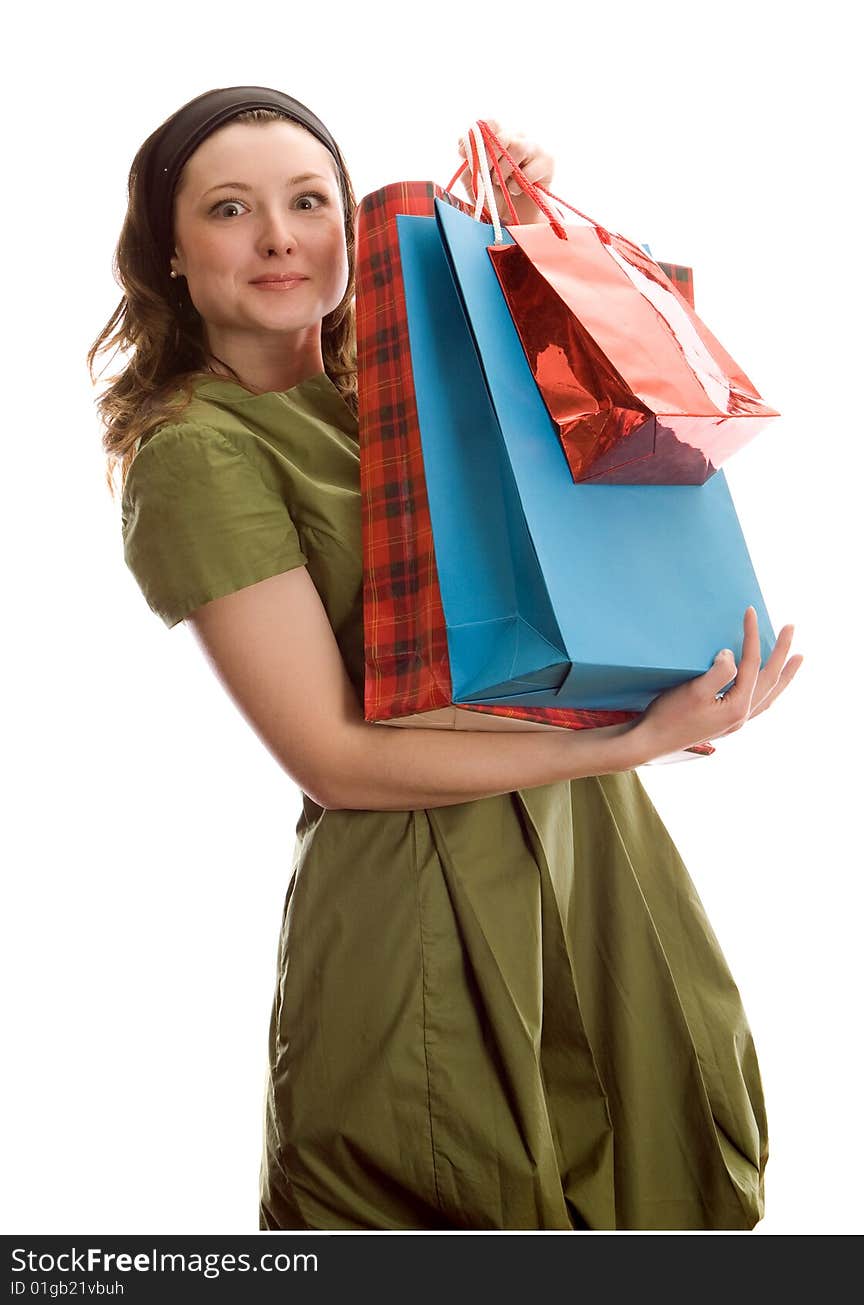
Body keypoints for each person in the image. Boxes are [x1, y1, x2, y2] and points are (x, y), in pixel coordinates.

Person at [90, 86, 803, 1232]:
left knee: (651, 1190)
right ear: (168, 255)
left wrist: (520, 236)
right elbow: (333, 758)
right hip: (418, 896)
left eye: (309, 200)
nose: (278, 236)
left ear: (352, 228)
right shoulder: (197, 451)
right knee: (448, 1200)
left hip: (592, 854)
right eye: (230, 209)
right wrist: (625, 739)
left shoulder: (395, 377)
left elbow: (602, 425)